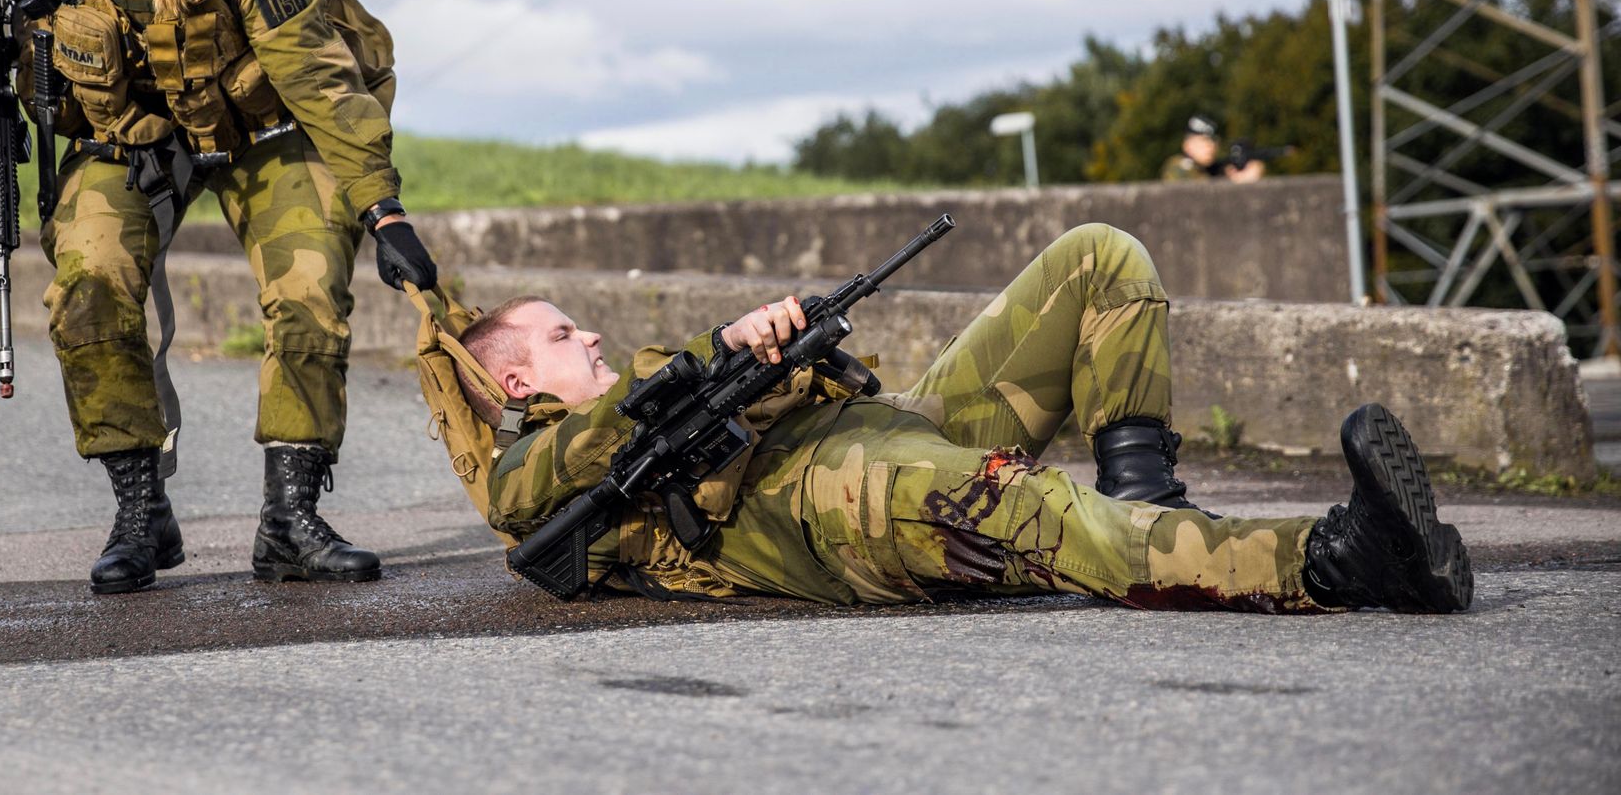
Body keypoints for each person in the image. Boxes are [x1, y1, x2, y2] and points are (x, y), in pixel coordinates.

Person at [0, 0, 437, 594]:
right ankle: (139, 514)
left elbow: (320, 81)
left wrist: (383, 212)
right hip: (124, 139)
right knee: (90, 285)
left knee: (309, 285)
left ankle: (290, 522)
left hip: (260, 130)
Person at [453, 223, 1471, 614]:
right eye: (561, 334)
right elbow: (533, 489)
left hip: (894, 430)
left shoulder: (646, 392)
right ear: (513, 382)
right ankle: (1333, 561)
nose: (589, 335)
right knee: (1043, 511)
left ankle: (1149, 508)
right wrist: (713, 351)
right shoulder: (535, 474)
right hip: (857, 505)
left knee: (1098, 258)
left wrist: (773, 358)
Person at [1161, 114, 1267, 184]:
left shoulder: (1215, 169)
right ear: (1187, 145)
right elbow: (1192, 193)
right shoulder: (1179, 166)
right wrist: (1236, 182)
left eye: (1213, 141)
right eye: (1203, 141)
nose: (1210, 146)